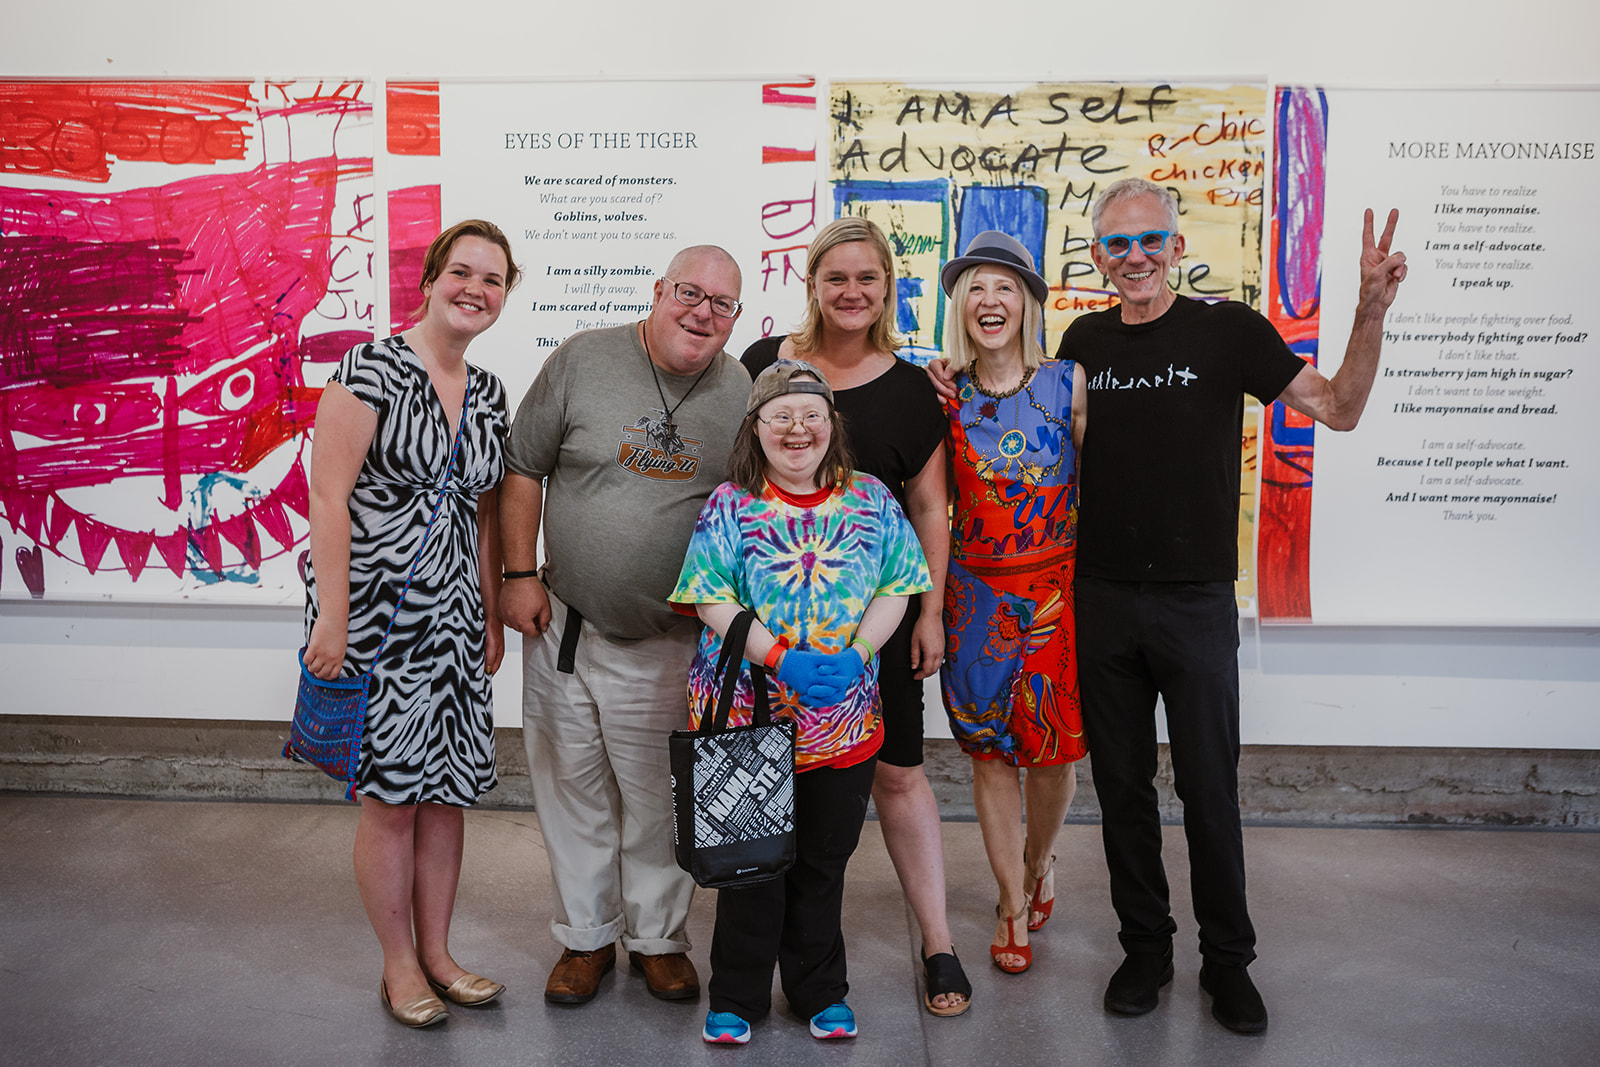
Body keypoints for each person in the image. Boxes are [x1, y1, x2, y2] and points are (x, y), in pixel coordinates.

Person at [1048, 177, 1402, 1034]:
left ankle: (1229, 961)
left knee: (1210, 787)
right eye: (1118, 243)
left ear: (1177, 247)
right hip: (1101, 595)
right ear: (1098, 256)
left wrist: (1369, 311)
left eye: (1151, 240)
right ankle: (1145, 948)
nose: (1135, 256)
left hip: (1195, 601)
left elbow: (1339, 409)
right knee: (1122, 788)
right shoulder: (1082, 340)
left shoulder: (1229, 330)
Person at [499, 245, 751, 1007]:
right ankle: (585, 937)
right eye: (689, 293)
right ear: (658, 290)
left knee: (660, 801)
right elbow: (523, 465)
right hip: (567, 626)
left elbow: (755, 505)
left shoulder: (740, 390)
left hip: (673, 638)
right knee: (571, 790)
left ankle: (657, 941)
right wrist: (517, 574)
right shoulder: (582, 359)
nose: (702, 312)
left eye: (721, 303)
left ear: (736, 317)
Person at [741, 218, 968, 1016]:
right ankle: (761, 955)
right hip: (769, 633)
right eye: (835, 277)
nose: (851, 291)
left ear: (888, 287)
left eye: (867, 277)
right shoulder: (762, 365)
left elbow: (930, 507)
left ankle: (937, 940)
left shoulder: (913, 388)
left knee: (898, 772)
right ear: (811, 282)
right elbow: (733, 481)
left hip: (874, 627)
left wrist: (930, 611)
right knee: (764, 778)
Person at [671, 360, 932, 1045]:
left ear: (831, 425)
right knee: (749, 869)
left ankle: (820, 990)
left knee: (823, 864)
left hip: (843, 722)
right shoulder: (730, 504)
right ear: (755, 428)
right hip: (747, 721)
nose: (798, 428)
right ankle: (737, 995)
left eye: (812, 414)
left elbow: (898, 585)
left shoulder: (872, 498)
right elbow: (709, 597)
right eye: (780, 415)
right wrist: (781, 658)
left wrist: (857, 655)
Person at [303, 219, 518, 1027]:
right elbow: (328, 497)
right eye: (462, 272)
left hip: (456, 621)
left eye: (493, 279)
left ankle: (440, 953)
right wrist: (333, 617)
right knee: (392, 799)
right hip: (377, 619)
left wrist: (490, 613)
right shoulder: (370, 369)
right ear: (430, 280)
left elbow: (485, 511)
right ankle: (398, 965)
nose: (475, 289)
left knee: (448, 793)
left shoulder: (490, 391)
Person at [933, 231, 1089, 978]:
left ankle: (1038, 861)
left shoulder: (1069, 384)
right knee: (990, 754)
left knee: (1053, 754)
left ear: (1028, 303)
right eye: (977, 288)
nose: (990, 301)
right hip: (975, 602)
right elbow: (930, 506)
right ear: (961, 306)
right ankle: (1009, 903)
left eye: (1005, 288)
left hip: (1056, 595)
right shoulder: (943, 395)